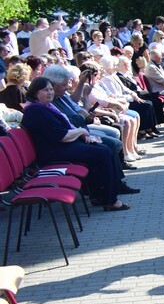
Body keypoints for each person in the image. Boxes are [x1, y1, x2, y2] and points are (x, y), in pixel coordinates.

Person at [19, 77, 129, 211]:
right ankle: (111, 200)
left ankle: (99, 195)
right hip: (52, 153)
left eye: (51, 89)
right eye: (45, 90)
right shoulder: (36, 111)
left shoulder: (44, 107)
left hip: (58, 147)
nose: (50, 92)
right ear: (35, 92)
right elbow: (62, 136)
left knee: (102, 148)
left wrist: (80, 134)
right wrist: (81, 131)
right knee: (103, 153)